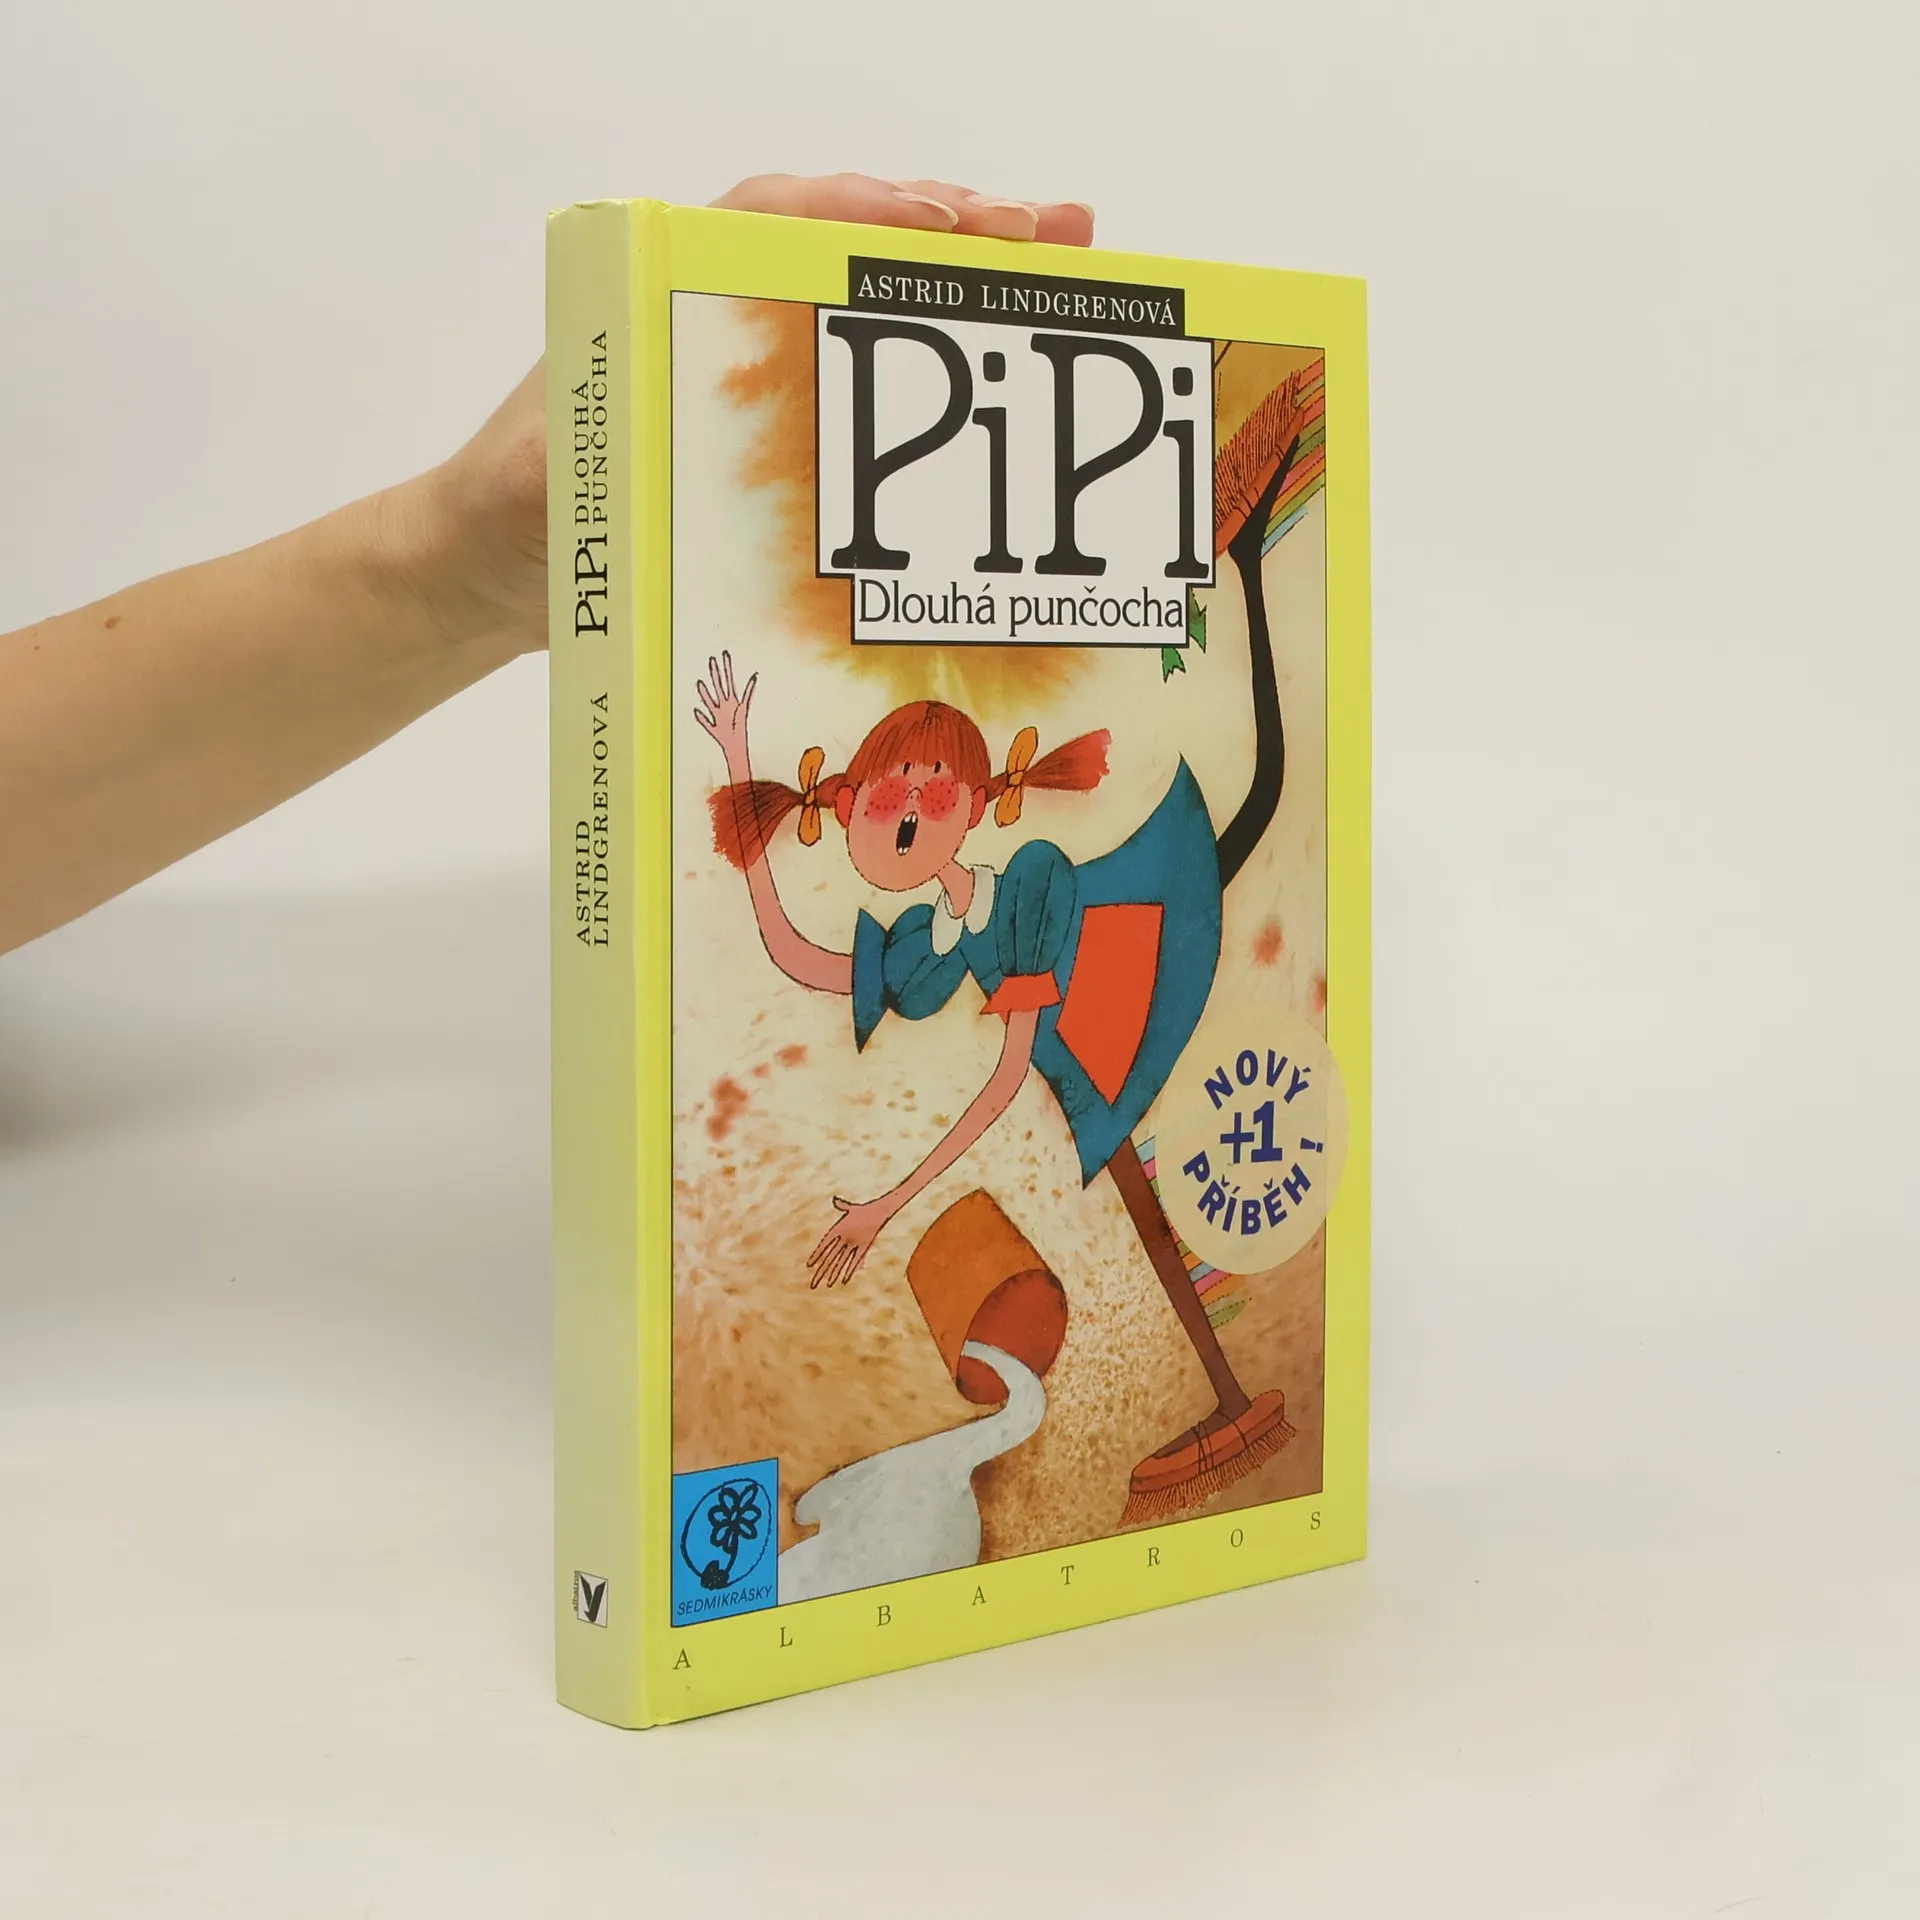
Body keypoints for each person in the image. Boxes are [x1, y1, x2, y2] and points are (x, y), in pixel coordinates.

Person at [0, 175, 1094, 956]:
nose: (909, 811)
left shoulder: (1020, 893)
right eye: (904, 794)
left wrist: (453, 569)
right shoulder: (900, 941)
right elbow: (799, 955)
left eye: (920, 798)